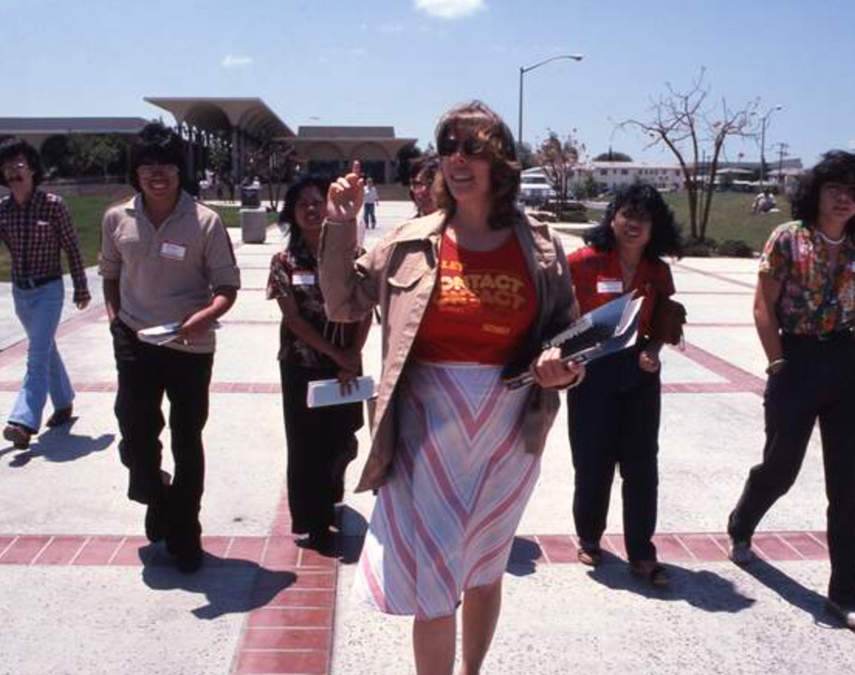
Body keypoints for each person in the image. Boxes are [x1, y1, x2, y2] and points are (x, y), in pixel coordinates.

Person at [319, 101, 581, 675]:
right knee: (435, 578)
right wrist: (339, 224)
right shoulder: (409, 242)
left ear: (500, 161)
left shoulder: (540, 247)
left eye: (474, 148)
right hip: (424, 430)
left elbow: (568, 333)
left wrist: (559, 365)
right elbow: (342, 301)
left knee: (485, 567)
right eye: (449, 147)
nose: (458, 159)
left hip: (509, 430)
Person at [727, 150, 855, 632]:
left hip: (845, 365)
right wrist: (776, 362)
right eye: (834, 188)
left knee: (848, 482)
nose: (844, 198)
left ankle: (845, 594)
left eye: (852, 190)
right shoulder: (787, 239)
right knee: (781, 466)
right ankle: (741, 523)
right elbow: (762, 307)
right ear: (815, 193)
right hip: (795, 360)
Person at [99, 122, 241, 573]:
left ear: (180, 171)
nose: (157, 175)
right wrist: (116, 322)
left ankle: (185, 532)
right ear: (136, 173)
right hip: (136, 341)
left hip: (190, 348)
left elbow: (226, 287)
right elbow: (110, 273)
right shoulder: (117, 218)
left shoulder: (205, 221)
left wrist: (199, 320)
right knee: (135, 437)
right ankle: (155, 495)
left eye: (166, 166)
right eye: (147, 167)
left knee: (186, 438)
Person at [565, 183, 683, 585]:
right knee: (592, 462)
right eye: (627, 214)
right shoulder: (582, 262)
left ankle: (642, 551)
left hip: (640, 376)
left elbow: (666, 317)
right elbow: (559, 315)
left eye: (643, 217)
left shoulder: (658, 270)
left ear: (655, 227)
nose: (634, 224)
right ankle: (589, 537)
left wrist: (653, 349)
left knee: (642, 466)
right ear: (612, 217)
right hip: (591, 373)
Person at [0, 137, 89, 449]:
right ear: (1, 173)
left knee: (36, 356)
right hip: (21, 294)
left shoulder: (53, 206)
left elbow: (72, 248)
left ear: (32, 170)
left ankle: (23, 422)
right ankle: (64, 401)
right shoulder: (0, 210)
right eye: (7, 166)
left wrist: (81, 287)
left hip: (49, 291)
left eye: (20, 165)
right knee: (45, 349)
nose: (14, 171)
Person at [266, 176, 371, 552]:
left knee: (342, 439)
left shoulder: (353, 257)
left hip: (344, 365)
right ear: (291, 215)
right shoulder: (284, 262)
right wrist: (336, 354)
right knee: (305, 444)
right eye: (302, 205)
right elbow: (293, 319)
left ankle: (330, 497)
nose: (311, 210)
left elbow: (363, 312)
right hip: (302, 365)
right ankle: (312, 520)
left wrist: (351, 356)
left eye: (317, 202)